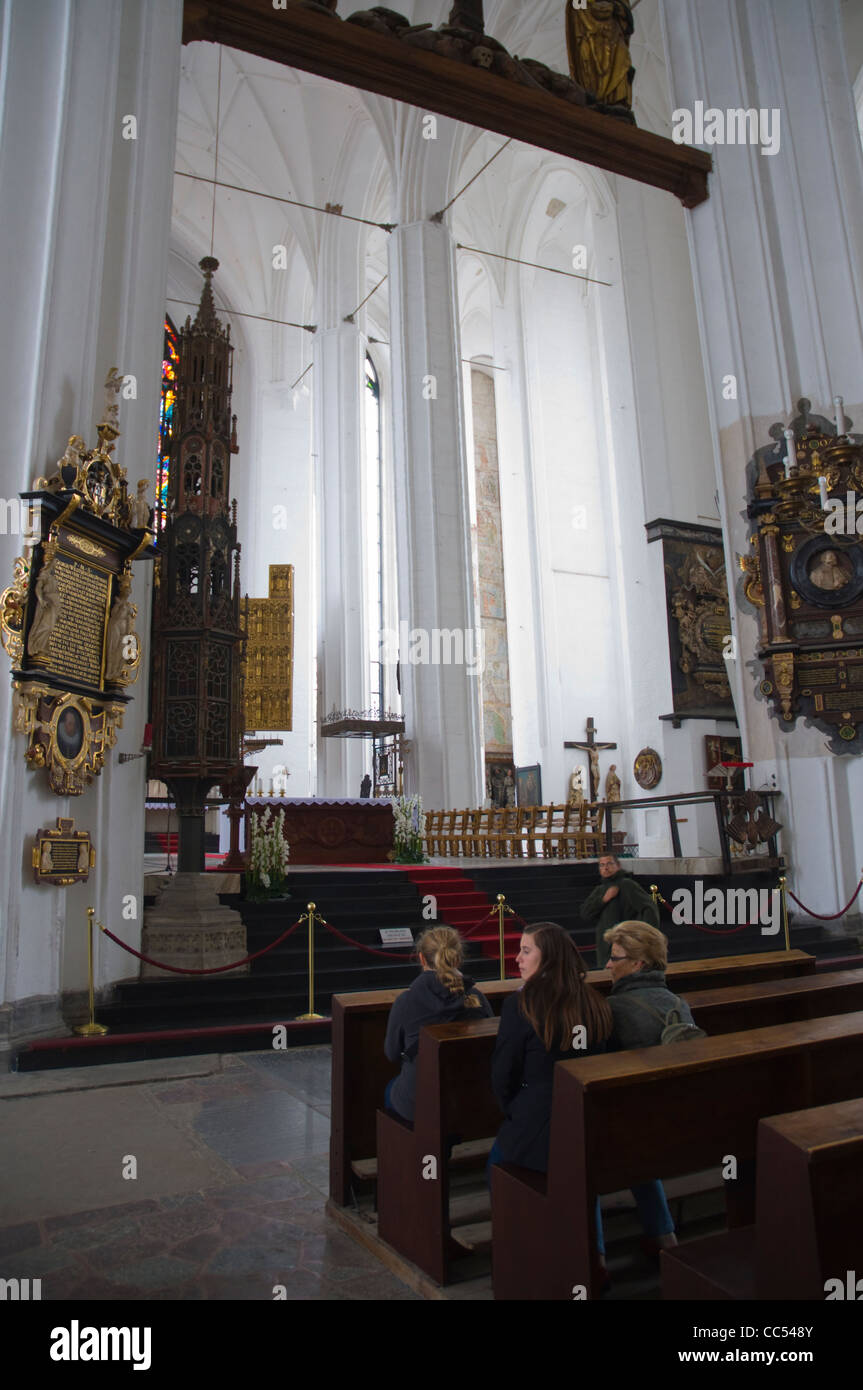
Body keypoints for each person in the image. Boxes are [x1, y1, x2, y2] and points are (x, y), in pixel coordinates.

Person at [598, 920, 698, 1257]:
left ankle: (593, 1256)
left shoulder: (613, 1009)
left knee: (579, 1143)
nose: (607, 965)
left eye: (614, 958)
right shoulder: (677, 1003)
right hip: (678, 1119)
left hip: (631, 1129)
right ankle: (665, 1239)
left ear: (637, 964)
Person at [489, 923, 612, 1175]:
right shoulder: (594, 1000)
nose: (517, 958)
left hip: (539, 1124)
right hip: (588, 1118)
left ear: (548, 956)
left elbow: (503, 1073)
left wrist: (516, 1110)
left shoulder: (521, 1005)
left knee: (495, 1169)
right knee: (584, 1188)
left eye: (525, 951)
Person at [383, 926, 492, 1123]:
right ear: (457, 959)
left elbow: (391, 1054)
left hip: (420, 1102)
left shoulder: (406, 1002)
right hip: (469, 1098)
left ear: (422, 958)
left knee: (392, 1089)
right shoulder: (476, 998)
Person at [580, 851, 658, 968]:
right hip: (605, 944)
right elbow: (585, 913)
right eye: (602, 865)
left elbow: (649, 908)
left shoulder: (627, 884)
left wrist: (644, 937)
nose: (606, 868)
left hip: (626, 942)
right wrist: (603, 899)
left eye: (609, 863)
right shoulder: (600, 889)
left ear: (618, 865)